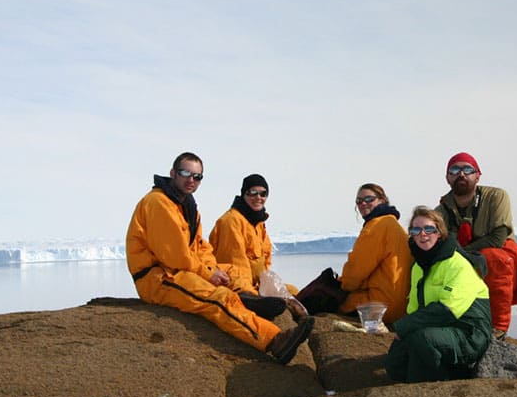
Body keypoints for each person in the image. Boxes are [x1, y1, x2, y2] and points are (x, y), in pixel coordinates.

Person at [126, 152, 313, 365]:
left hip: (178, 269)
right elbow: (175, 256)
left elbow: (200, 246)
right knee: (217, 299)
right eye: (185, 173)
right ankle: (274, 340)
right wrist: (207, 273)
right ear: (172, 173)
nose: (191, 180)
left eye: (197, 177)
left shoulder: (186, 205)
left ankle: (247, 298)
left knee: (232, 272)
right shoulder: (159, 203)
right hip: (159, 277)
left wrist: (213, 268)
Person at [385, 207, 491, 383]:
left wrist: (403, 327)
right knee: (394, 362)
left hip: (469, 332)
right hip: (439, 329)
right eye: (416, 230)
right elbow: (415, 309)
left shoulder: (458, 265)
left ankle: (437, 387)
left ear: (440, 233)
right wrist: (404, 333)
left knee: (423, 340)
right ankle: (437, 375)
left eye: (429, 229)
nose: (422, 234)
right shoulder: (419, 266)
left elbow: (447, 310)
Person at [436, 151, 516, 338]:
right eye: (454, 170)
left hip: (502, 269)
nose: (461, 174)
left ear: (477, 175)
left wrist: (461, 254)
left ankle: (499, 326)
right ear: (448, 178)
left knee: (493, 257)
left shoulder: (496, 197)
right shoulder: (441, 210)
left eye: (467, 169)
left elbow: (498, 238)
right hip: (464, 265)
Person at [209, 173, 306, 320]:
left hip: (255, 283)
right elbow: (234, 265)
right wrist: (253, 293)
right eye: (253, 192)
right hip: (234, 282)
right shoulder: (231, 221)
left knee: (295, 291)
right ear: (243, 194)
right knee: (274, 303)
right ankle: (252, 302)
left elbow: (264, 263)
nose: (258, 197)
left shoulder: (258, 223)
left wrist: (268, 286)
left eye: (263, 193)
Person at [336, 183, 412, 324]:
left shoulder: (376, 226)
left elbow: (355, 272)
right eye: (359, 201)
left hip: (380, 305)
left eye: (369, 199)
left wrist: (342, 286)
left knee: (324, 303)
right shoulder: (394, 225)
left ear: (382, 200)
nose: (363, 204)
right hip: (402, 306)